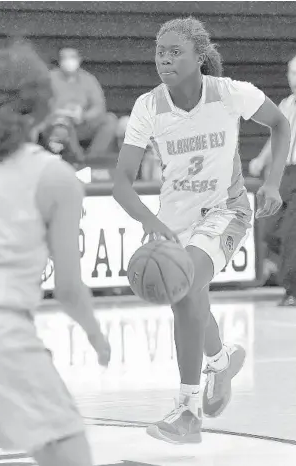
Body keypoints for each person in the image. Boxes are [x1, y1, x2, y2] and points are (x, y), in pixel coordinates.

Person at [113, 17, 290, 444]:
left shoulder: (229, 93)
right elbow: (121, 181)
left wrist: (271, 183)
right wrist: (151, 222)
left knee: (189, 284)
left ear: (198, 57)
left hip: (225, 211)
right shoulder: (148, 106)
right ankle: (221, 358)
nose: (165, 59)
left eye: (175, 52)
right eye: (160, 52)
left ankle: (188, 411)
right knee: (185, 300)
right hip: (174, 220)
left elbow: (281, 124)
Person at [0, 42, 111, 466]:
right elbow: (69, 289)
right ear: (43, 104)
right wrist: (95, 333)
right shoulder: (54, 177)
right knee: (69, 452)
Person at [249, 54, 296, 306]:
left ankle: (292, 290)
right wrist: (261, 159)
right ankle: (285, 274)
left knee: (292, 233)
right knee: (269, 228)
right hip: (285, 173)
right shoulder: (286, 104)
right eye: (291, 73)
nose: (294, 79)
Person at [49, 47, 117, 162]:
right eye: (64, 58)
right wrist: (62, 113)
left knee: (110, 120)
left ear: (79, 60)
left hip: (83, 122)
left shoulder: (88, 79)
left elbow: (99, 106)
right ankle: (78, 159)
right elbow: (42, 103)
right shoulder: (49, 78)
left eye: (72, 57)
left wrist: (84, 115)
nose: (68, 61)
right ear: (59, 61)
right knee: (62, 125)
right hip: (58, 123)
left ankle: (92, 159)